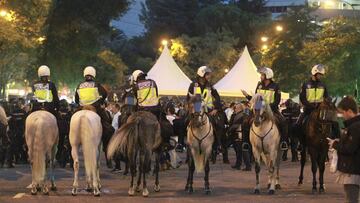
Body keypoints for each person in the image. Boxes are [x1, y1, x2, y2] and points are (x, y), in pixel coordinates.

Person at [75, 66, 115, 168]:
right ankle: (108, 157)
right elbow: (105, 93)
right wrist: (100, 101)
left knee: (71, 123)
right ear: (93, 74)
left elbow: (76, 99)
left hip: (82, 108)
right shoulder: (97, 84)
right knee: (108, 129)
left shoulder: (79, 85)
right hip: (96, 108)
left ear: (84, 74)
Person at [242, 67, 288, 151]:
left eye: (262, 75)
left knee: (283, 121)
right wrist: (247, 96)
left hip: (272, 109)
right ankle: (245, 143)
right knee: (245, 122)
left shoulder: (276, 86)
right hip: (259, 108)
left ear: (267, 75)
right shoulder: (259, 85)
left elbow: (277, 100)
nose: (261, 77)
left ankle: (283, 142)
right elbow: (255, 98)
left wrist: (268, 107)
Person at [186, 66, 223, 163]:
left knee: (218, 124)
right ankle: (186, 146)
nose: (209, 76)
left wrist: (216, 108)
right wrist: (190, 109)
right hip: (196, 110)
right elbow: (188, 98)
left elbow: (217, 97)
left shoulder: (210, 85)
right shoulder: (193, 85)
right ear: (201, 74)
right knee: (184, 122)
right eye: (207, 74)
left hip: (208, 110)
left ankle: (217, 146)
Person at [328, 96, 360, 203]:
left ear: (350, 111)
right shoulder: (353, 126)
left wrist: (335, 144)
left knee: (351, 200)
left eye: (343, 112)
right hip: (353, 169)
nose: (341, 115)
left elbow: (349, 148)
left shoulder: (355, 127)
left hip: (352, 170)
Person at [228, 103, 251, 170]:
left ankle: (247, 166)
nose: (235, 109)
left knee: (243, 150)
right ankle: (238, 164)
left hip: (241, 134)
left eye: (236, 107)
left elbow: (243, 123)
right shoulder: (236, 115)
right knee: (238, 151)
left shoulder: (244, 114)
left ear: (240, 108)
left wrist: (234, 127)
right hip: (237, 134)